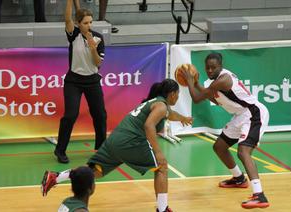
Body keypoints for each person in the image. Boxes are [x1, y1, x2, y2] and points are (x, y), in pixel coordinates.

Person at [41, 79, 193, 212]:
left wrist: (183, 118)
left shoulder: (155, 103)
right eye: (177, 94)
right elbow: (149, 126)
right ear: (172, 94)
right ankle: (162, 209)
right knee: (162, 167)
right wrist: (159, 153)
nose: (177, 97)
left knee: (95, 172)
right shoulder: (162, 106)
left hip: (115, 139)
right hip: (131, 141)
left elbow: (170, 115)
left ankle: (56, 177)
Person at [181, 52, 270, 209]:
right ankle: (238, 179)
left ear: (220, 66)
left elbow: (197, 98)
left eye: (213, 67)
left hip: (253, 114)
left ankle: (260, 195)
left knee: (243, 152)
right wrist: (195, 83)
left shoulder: (223, 79)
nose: (209, 71)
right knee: (219, 147)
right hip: (240, 115)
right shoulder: (216, 82)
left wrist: (189, 81)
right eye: (207, 68)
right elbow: (211, 97)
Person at [54, 0, 107, 163]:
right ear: (79, 23)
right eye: (85, 23)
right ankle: (60, 150)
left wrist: (92, 49)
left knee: (100, 114)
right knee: (70, 115)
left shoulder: (98, 38)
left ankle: (101, 149)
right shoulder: (74, 34)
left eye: (90, 22)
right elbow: (67, 19)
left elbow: (98, 63)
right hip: (74, 81)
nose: (89, 25)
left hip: (92, 81)